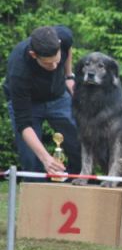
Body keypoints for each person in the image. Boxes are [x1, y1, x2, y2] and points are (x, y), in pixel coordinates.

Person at [3, 25, 81, 181]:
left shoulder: (63, 36)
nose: (53, 67)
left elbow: (68, 48)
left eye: (56, 62)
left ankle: (77, 188)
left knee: (80, 143)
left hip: (58, 97)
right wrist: (46, 158)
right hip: (29, 104)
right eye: (47, 64)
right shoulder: (19, 69)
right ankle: (38, 198)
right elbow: (24, 123)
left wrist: (69, 76)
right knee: (32, 160)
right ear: (33, 55)